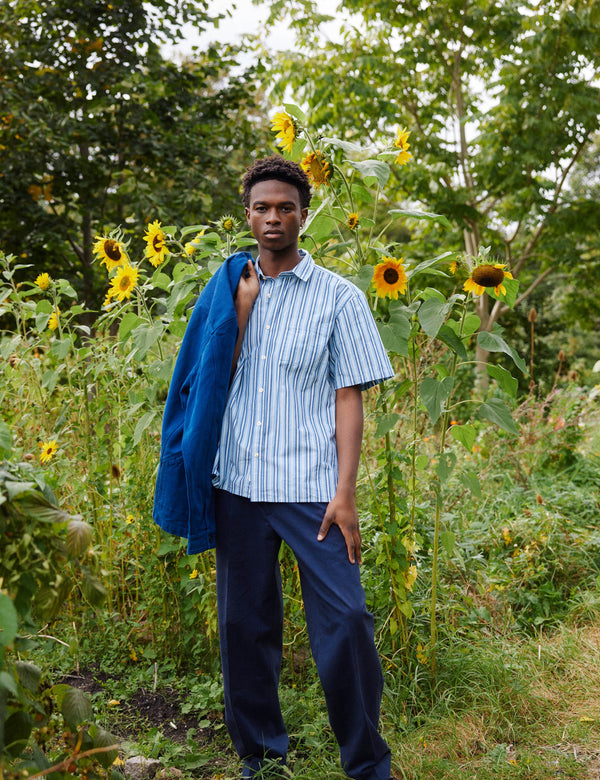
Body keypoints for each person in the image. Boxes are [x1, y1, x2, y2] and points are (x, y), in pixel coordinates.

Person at [210, 155, 395, 780]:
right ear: (248, 214)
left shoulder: (338, 297)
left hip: (312, 490)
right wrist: (238, 314)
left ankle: (367, 764)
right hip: (236, 484)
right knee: (244, 627)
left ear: (303, 216)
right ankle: (260, 757)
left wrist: (345, 492)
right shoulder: (228, 289)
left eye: (285, 207)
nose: (272, 218)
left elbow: (349, 395)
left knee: (346, 620)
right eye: (261, 207)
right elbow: (208, 381)